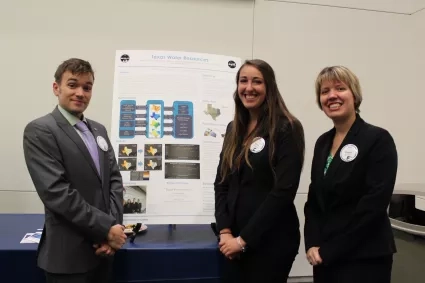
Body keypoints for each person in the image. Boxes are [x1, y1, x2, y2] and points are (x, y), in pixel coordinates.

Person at [23, 58, 127, 283]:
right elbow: (57, 193)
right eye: (72, 85)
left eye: (87, 87)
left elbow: (114, 181)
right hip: (69, 259)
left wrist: (112, 232)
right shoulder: (41, 130)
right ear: (56, 87)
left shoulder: (98, 129)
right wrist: (106, 229)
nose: (80, 92)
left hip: (104, 252)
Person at [304, 66, 397, 283]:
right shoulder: (322, 142)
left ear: (354, 95)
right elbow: (314, 200)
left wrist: (331, 249)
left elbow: (373, 206)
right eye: (325, 91)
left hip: (364, 258)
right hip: (325, 257)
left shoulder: (377, 139)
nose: (332, 95)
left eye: (340, 88)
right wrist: (312, 244)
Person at [214, 59, 305, 282]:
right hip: (232, 241)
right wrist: (225, 230)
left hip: (271, 242)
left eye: (257, 81)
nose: (249, 88)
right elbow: (221, 183)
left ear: (269, 87)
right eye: (243, 81)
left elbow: (283, 191)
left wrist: (243, 240)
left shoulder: (287, 128)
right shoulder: (234, 128)